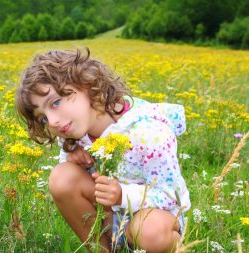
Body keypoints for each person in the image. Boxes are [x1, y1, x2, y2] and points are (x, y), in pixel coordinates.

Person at [16, 48, 191, 253]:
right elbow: (73, 185)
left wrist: (121, 195)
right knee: (62, 177)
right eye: (43, 118)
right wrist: (73, 163)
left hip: (157, 218)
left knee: (148, 232)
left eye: (55, 102)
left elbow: (171, 197)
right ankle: (103, 250)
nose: (52, 121)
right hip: (113, 219)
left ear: (88, 84)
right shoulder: (74, 132)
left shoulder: (149, 132)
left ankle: (172, 246)